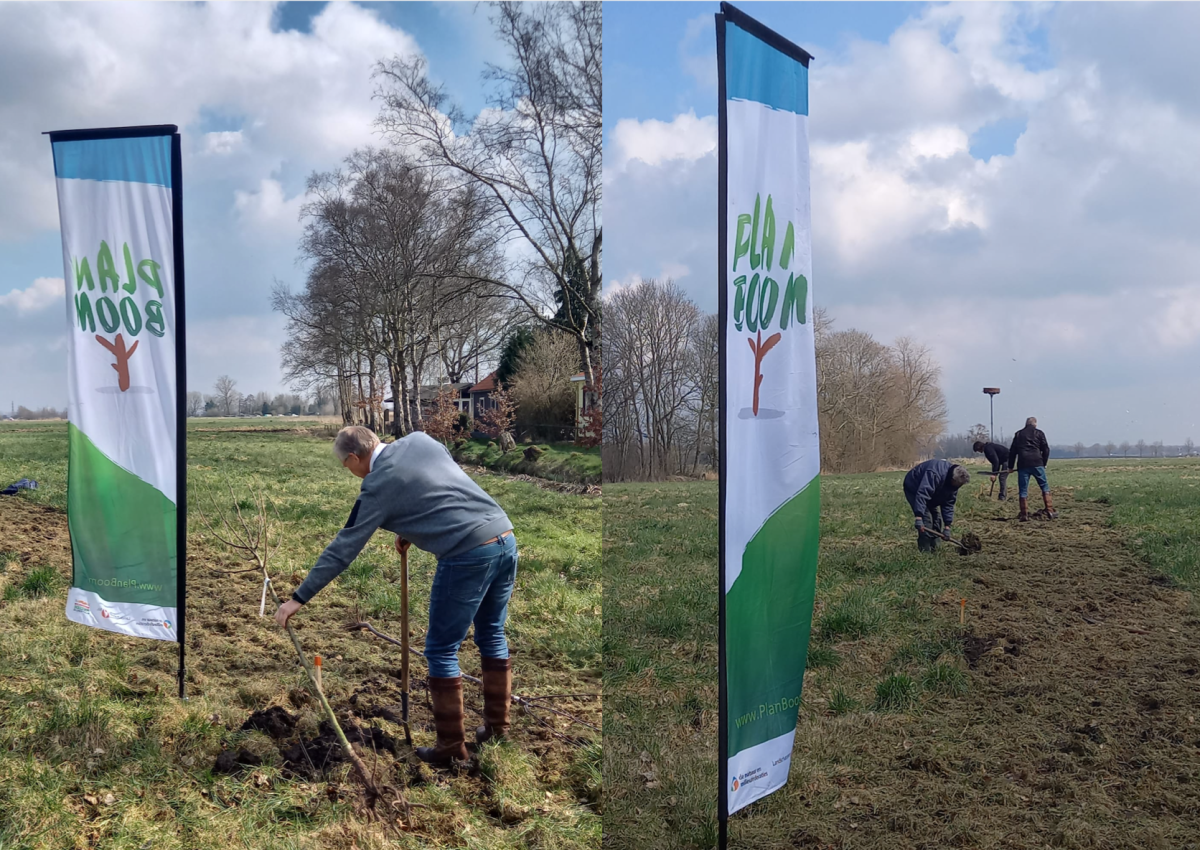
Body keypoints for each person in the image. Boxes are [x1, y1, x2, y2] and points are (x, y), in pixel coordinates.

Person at [274, 426, 518, 765]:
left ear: (355, 457)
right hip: (504, 535)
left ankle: (451, 749)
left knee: (441, 649)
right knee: (492, 633)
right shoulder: (420, 439)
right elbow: (436, 482)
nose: (352, 474)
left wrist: (298, 598)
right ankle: (498, 731)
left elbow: (343, 548)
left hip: (467, 553)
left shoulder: (376, 486)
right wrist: (411, 526)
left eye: (348, 467)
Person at [903, 459, 971, 552]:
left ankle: (936, 548)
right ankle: (925, 551)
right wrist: (919, 516)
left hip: (933, 492)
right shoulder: (935, 473)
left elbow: (949, 504)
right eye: (958, 484)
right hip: (914, 488)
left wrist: (947, 526)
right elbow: (923, 494)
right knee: (927, 520)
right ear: (952, 479)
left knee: (937, 519)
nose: (958, 487)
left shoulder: (954, 485)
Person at [1008, 416, 1055, 521]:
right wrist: (1044, 463)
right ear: (1035, 424)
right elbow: (1046, 449)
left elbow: (1012, 452)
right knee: (1044, 487)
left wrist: (1010, 467)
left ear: (1026, 423)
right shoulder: (1039, 433)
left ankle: (1024, 514)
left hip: (1023, 464)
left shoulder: (1018, 434)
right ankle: (1050, 511)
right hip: (1037, 463)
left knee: (1023, 490)